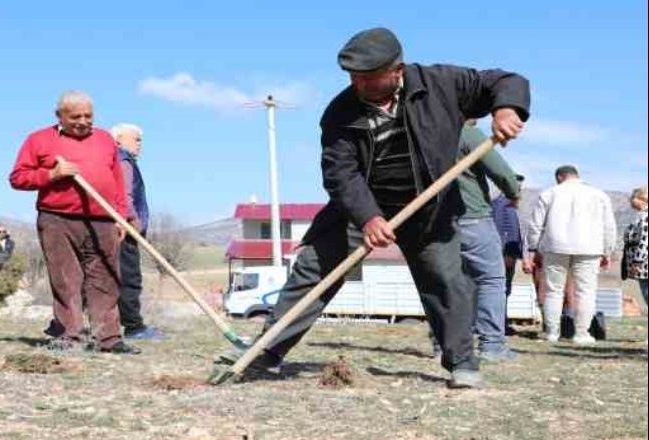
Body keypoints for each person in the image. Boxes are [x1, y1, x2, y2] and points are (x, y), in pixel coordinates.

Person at [216, 27, 530, 389]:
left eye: (368, 77)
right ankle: (267, 351)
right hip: (361, 205)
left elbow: (504, 81)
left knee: (445, 280)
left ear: (397, 70)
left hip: (429, 206)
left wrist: (506, 108)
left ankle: (461, 361)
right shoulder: (340, 112)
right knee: (313, 268)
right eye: (353, 77)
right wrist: (368, 217)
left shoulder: (441, 83)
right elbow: (340, 173)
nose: (358, 84)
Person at [9, 90, 139, 354]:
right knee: (66, 279)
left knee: (106, 279)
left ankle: (108, 339)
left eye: (88, 116)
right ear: (59, 116)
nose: (83, 121)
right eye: (75, 116)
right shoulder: (38, 139)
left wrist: (121, 216)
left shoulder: (104, 139)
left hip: (104, 219)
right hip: (57, 219)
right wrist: (51, 174)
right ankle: (70, 336)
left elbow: (117, 179)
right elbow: (18, 178)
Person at [524, 165, 616, 345]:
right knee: (586, 292)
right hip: (590, 248)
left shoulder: (549, 193)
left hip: (555, 247)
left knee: (553, 291)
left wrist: (533, 249)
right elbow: (609, 227)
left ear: (560, 177)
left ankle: (552, 333)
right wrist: (607, 251)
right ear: (577, 175)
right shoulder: (599, 195)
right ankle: (582, 334)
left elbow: (535, 225)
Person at [455, 121, 522, 362]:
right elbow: (501, 171)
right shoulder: (467, 133)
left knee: (446, 283)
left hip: (433, 222)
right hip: (471, 217)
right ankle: (492, 345)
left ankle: (444, 345)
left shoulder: (424, 131)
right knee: (491, 279)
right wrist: (514, 192)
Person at [111, 123, 162, 340]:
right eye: (136, 139)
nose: (140, 144)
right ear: (118, 140)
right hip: (125, 228)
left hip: (118, 226)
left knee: (113, 276)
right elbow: (125, 195)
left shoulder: (116, 160)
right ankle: (134, 327)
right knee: (129, 277)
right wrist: (132, 220)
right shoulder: (123, 161)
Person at [492, 173, 525, 335]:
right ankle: (498, 324)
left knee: (504, 289)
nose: (519, 189)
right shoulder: (502, 204)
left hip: (507, 253)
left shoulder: (509, 204)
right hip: (504, 254)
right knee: (500, 289)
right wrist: (507, 254)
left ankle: (500, 323)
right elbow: (502, 230)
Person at [623, 186, 648, 305]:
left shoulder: (646, 216)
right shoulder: (641, 215)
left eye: (633, 197)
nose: (630, 200)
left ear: (642, 199)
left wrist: (637, 261)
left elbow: (645, 240)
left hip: (644, 264)